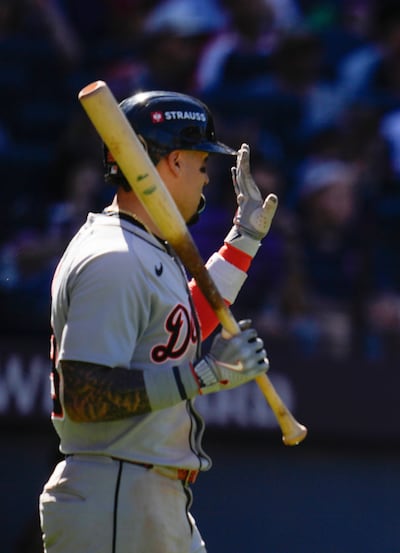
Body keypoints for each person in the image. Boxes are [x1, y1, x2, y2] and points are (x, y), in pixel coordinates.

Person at [39, 90, 278, 552]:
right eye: (202, 164)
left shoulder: (144, 248)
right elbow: (84, 395)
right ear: (171, 163)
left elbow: (180, 329)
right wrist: (203, 376)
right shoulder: (111, 256)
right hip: (116, 492)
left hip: (149, 496)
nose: (207, 179)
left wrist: (243, 240)